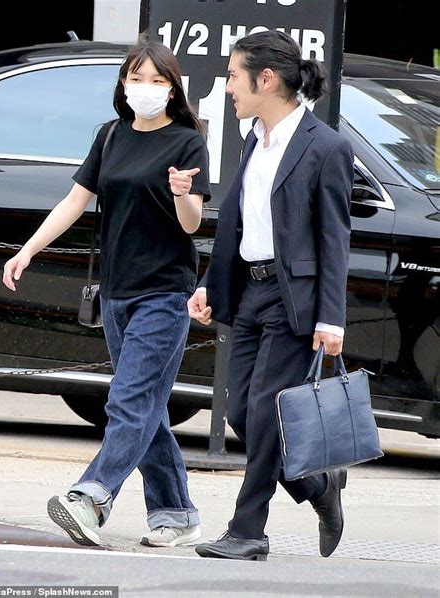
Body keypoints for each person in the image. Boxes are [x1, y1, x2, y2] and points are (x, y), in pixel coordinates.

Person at [3, 41, 211, 548]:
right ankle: (177, 513)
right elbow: (76, 199)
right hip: (117, 292)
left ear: (174, 88)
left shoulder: (187, 140)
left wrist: (183, 195)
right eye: (139, 78)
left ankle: (92, 496)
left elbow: (193, 225)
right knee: (147, 408)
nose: (148, 89)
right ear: (123, 83)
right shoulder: (110, 135)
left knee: (130, 399)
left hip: (164, 291)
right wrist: (28, 250)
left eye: (159, 81)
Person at [188, 30, 354, 561]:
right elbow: (236, 222)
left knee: (264, 412)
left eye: (234, 75)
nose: (228, 86)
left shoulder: (325, 146)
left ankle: (247, 530)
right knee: (242, 413)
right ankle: (319, 487)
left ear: (266, 79)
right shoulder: (252, 140)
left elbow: (334, 239)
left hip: (294, 302)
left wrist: (332, 317)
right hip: (251, 294)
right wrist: (212, 284)